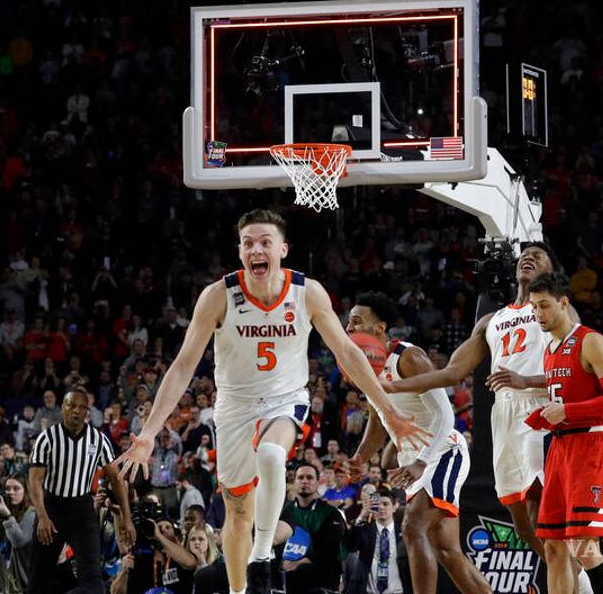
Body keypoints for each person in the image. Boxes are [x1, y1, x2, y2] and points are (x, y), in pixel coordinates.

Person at [114, 209, 428, 594]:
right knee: (238, 513)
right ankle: (238, 589)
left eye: (264, 242)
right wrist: (147, 434)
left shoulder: (307, 292)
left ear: (282, 248)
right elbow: (182, 367)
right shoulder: (217, 296)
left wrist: (387, 410)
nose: (255, 249)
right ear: (240, 251)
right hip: (233, 407)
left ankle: (262, 554)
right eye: (248, 243)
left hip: (285, 400)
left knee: (271, 455)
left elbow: (347, 352)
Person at [383, 242, 569, 562]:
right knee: (521, 522)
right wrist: (392, 387)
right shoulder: (491, 321)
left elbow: (577, 368)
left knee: (541, 509)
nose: (528, 257)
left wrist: (528, 380)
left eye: (538, 256)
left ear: (550, 272)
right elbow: (452, 372)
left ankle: (575, 582)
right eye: (524, 255)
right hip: (504, 413)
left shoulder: (557, 310)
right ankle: (579, 580)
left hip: (540, 405)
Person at [346, 292, 490, 593]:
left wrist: (421, 461)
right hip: (414, 462)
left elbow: (444, 415)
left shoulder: (409, 357)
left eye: (357, 321)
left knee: (411, 528)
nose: (348, 328)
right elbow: (377, 424)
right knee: (447, 552)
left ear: (380, 328)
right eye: (348, 323)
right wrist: (360, 458)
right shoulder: (365, 368)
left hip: (442, 452)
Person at [525, 272, 603, 594]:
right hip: (559, 449)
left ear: (564, 303)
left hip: (590, 446)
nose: (538, 314)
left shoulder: (590, 340)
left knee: (583, 546)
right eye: (534, 308)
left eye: (544, 306)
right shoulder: (550, 347)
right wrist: (546, 415)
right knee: (553, 546)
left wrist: (567, 411)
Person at [28, 389, 135, 593]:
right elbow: (34, 480)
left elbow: (116, 479)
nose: (76, 411)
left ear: (88, 411)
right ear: (63, 408)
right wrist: (41, 515)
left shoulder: (98, 439)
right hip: (52, 508)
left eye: (81, 407)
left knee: (93, 580)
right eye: (71, 406)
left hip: (82, 508)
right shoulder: (47, 438)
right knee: (38, 579)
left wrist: (127, 518)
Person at [281, 463, 346, 594]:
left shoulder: (331, 513)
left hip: (319, 576)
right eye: (300, 478)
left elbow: (329, 550)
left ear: (318, 483)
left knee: (303, 571)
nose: (304, 481)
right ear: (294, 483)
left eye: (309, 478)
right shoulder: (283, 511)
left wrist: (298, 563)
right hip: (285, 572)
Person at [345, 488, 411, 594]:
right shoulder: (364, 529)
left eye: (385, 504)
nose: (381, 507)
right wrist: (362, 516)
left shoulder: (405, 533)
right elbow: (350, 546)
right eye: (378, 504)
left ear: (395, 506)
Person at [0, 475, 36, 594]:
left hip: (21, 582)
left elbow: (19, 542)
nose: (11, 492)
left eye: (16, 488)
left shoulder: (31, 514)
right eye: (7, 488)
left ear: (26, 491)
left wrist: (7, 515)